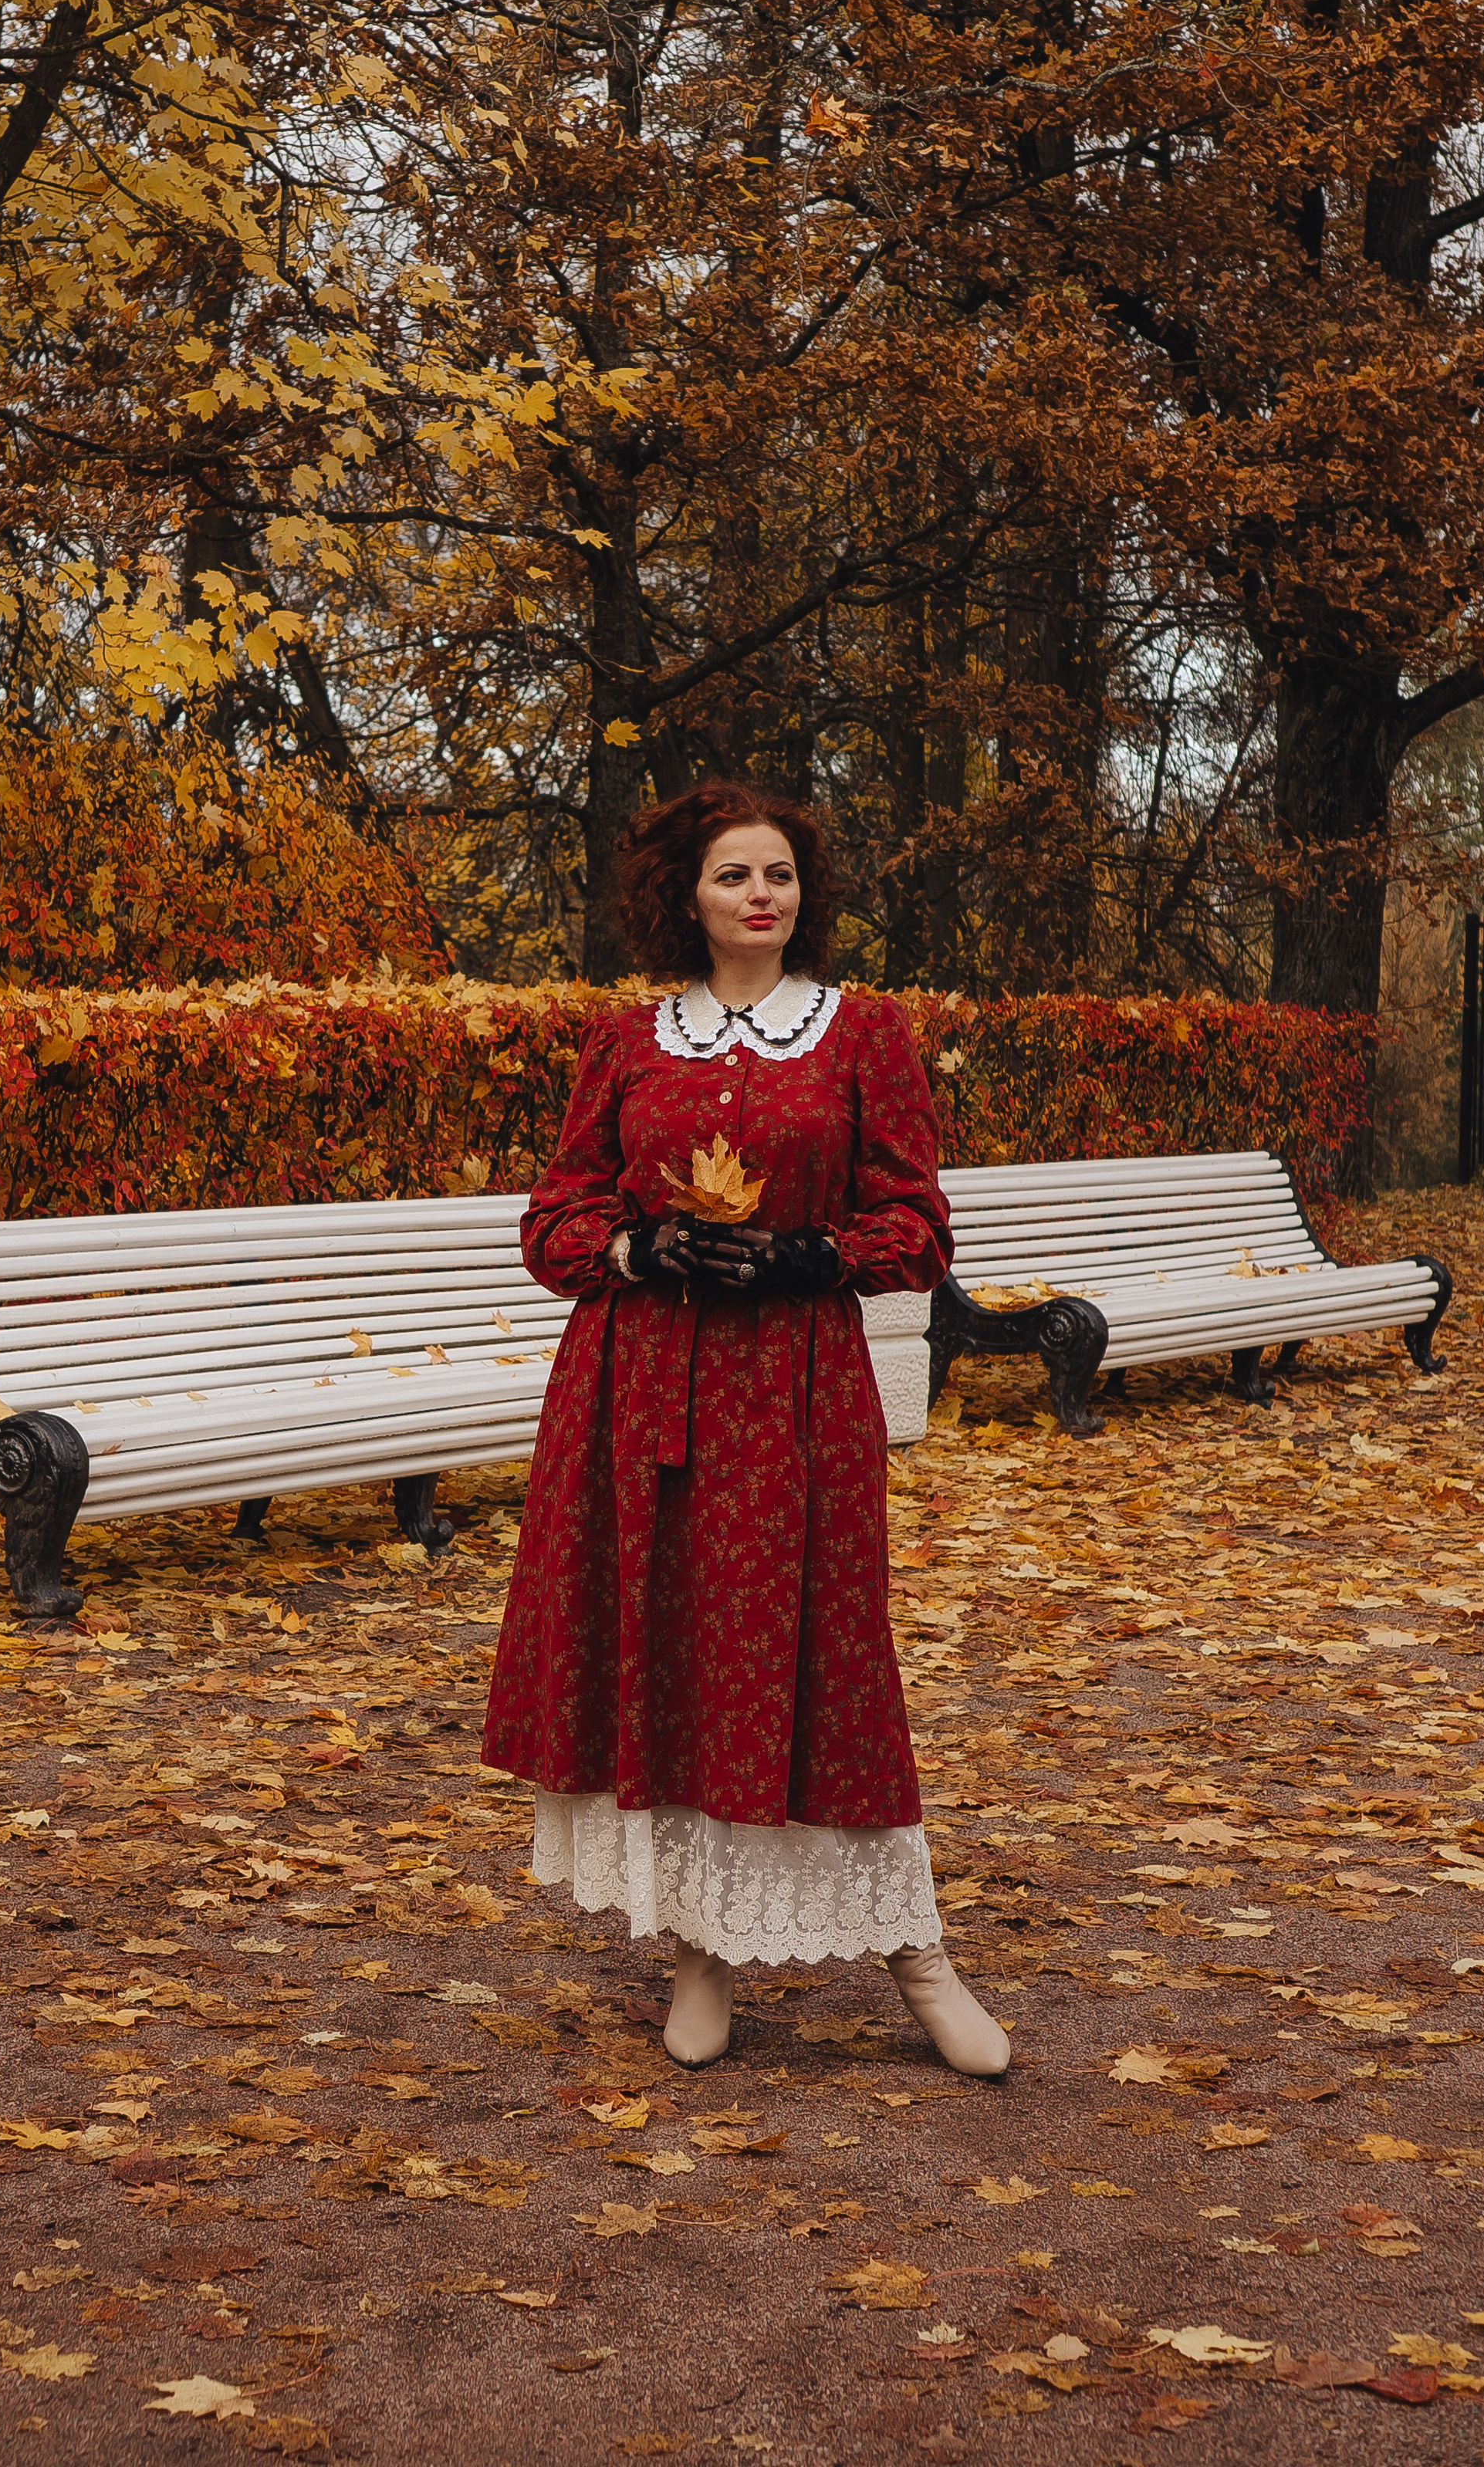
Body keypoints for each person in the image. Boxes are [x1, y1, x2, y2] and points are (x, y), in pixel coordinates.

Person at [480, 781, 1009, 2077]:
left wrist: (814, 1256)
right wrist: (637, 1246)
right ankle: (701, 1953)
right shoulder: (628, 1042)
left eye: (778, 874)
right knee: (673, 1655)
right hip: (639, 1384)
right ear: (690, 896)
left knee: (829, 1660)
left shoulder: (862, 1033)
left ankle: (919, 1957)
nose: (760, 894)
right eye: (734, 875)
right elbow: (554, 1222)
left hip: (795, 1388)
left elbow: (919, 1225)